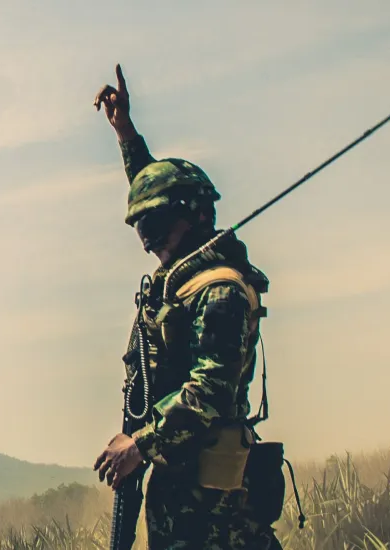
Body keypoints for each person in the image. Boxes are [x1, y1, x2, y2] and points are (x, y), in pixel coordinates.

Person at [91, 65, 281, 550]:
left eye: (157, 228)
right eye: (141, 230)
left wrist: (141, 445)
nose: (149, 241)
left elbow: (210, 390)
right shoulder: (187, 273)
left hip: (214, 512)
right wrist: (125, 133)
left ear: (196, 217)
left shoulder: (221, 292)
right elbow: (155, 187)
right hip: (181, 491)